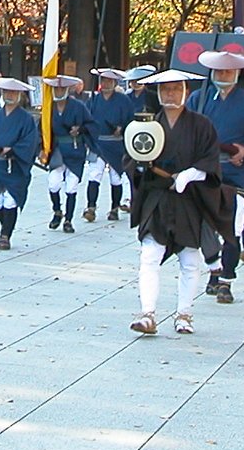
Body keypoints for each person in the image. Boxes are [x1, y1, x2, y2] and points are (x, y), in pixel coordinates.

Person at [125, 68, 232, 336]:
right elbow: (131, 157)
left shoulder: (201, 124)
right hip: (157, 197)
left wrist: (192, 174)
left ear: (186, 91)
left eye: (175, 88)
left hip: (189, 200)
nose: (170, 93)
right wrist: (139, 167)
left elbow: (210, 159)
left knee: (189, 259)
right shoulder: (148, 124)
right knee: (149, 255)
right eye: (165, 89)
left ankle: (184, 313)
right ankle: (147, 313)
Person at [195, 48, 244, 299]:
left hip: (236, 171)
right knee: (203, 224)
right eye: (219, 70)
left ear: (237, 73)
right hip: (205, 170)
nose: (223, 74)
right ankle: (214, 266)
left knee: (233, 225)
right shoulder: (198, 99)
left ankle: (226, 280)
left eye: (229, 70)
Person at [0, 77, 40, 249]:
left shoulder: (26, 118)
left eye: (14, 92)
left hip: (16, 165)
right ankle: (7, 225)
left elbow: (31, 141)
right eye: (7, 91)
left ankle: (5, 235)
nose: (10, 95)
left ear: (20, 95)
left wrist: (14, 150)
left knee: (10, 201)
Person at [81, 68, 136, 222]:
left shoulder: (123, 100)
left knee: (116, 177)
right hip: (98, 142)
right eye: (103, 80)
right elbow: (86, 120)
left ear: (114, 83)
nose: (106, 84)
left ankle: (114, 207)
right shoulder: (93, 100)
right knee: (94, 174)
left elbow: (130, 119)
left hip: (116, 143)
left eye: (109, 81)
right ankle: (91, 206)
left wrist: (122, 128)